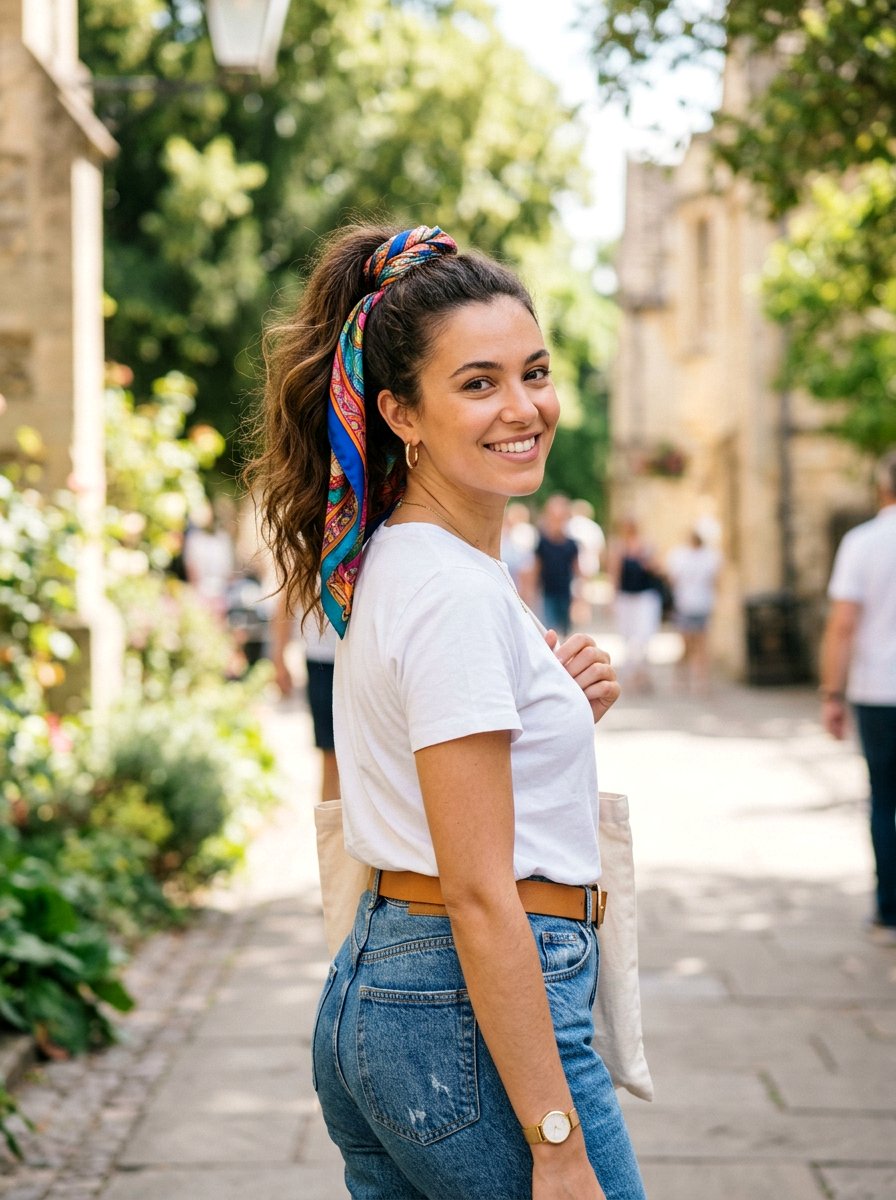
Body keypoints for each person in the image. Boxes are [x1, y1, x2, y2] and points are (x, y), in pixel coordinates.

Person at [251, 224, 646, 1199]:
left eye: (534, 372)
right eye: (477, 383)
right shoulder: (456, 594)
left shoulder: (400, 560)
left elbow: (433, 782)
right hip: (463, 1017)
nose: (523, 408)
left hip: (393, 995)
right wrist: (555, 1144)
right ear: (400, 413)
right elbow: (478, 892)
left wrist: (549, 714)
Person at [820, 448, 896, 946]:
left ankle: (889, 912)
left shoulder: (864, 542)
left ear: (882, 488)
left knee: (884, 799)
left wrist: (832, 693)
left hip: (878, 690)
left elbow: (843, 624)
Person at [270, 592, 341, 803]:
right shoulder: (309, 559)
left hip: (363, 657)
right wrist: (279, 659)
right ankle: (334, 833)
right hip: (321, 659)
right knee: (330, 754)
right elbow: (287, 601)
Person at [608, 517, 663, 693]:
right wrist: (613, 598)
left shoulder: (647, 546)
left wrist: (645, 560)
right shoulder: (619, 548)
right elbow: (615, 574)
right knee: (628, 637)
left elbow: (658, 568)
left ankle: (642, 674)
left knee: (644, 636)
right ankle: (633, 675)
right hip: (627, 598)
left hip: (645, 597)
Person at [666, 530, 721, 694]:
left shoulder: (710, 557)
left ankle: (701, 681)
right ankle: (682, 677)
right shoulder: (680, 556)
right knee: (688, 645)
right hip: (686, 606)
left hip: (701, 606)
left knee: (701, 645)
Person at [535, 494, 580, 636]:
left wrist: (579, 597)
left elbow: (577, 570)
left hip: (565, 591)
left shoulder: (571, 544)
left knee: (566, 628)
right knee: (549, 629)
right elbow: (536, 567)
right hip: (547, 591)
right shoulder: (542, 542)